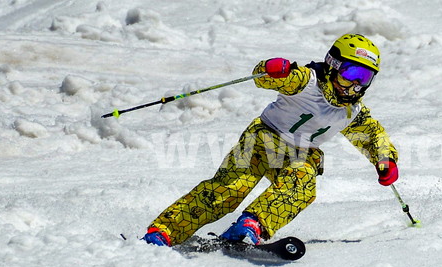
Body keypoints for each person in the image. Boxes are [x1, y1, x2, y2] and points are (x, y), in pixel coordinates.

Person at [143, 33, 398, 247]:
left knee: (301, 184)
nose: (353, 86)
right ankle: (164, 232)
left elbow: (372, 136)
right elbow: (264, 78)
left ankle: (251, 225)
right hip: (262, 141)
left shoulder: (352, 111)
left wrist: (384, 159)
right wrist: (272, 69)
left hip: (301, 154)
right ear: (332, 64)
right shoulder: (305, 81)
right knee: (228, 190)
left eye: (364, 79)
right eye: (351, 73)